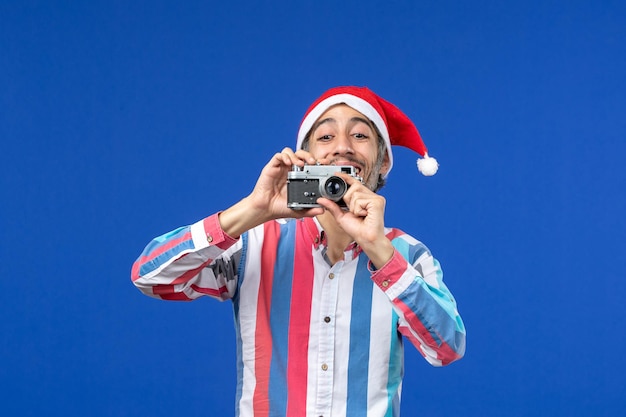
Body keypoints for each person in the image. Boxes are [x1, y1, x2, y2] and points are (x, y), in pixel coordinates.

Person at [131, 86, 466, 417]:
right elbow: (150, 277)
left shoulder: (407, 255)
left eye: (360, 135)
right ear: (305, 161)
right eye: (325, 137)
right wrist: (252, 209)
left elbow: (447, 348)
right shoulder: (253, 243)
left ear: (381, 165)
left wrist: (381, 251)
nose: (342, 148)